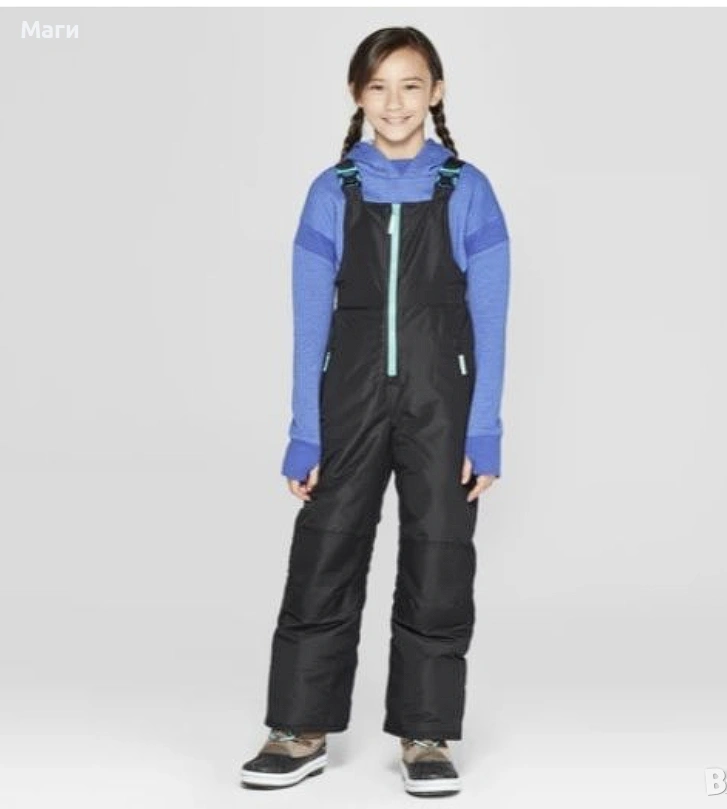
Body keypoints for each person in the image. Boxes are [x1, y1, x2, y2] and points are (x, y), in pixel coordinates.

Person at [240, 25, 510, 797]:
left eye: (410, 85)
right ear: (357, 95)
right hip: (348, 399)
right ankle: (298, 728)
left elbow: (491, 317)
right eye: (379, 87)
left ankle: (425, 734)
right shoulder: (332, 191)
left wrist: (483, 427)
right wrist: (304, 432)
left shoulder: (467, 189)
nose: (394, 103)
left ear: (436, 92)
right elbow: (307, 323)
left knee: (438, 558)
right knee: (324, 554)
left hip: (441, 401)